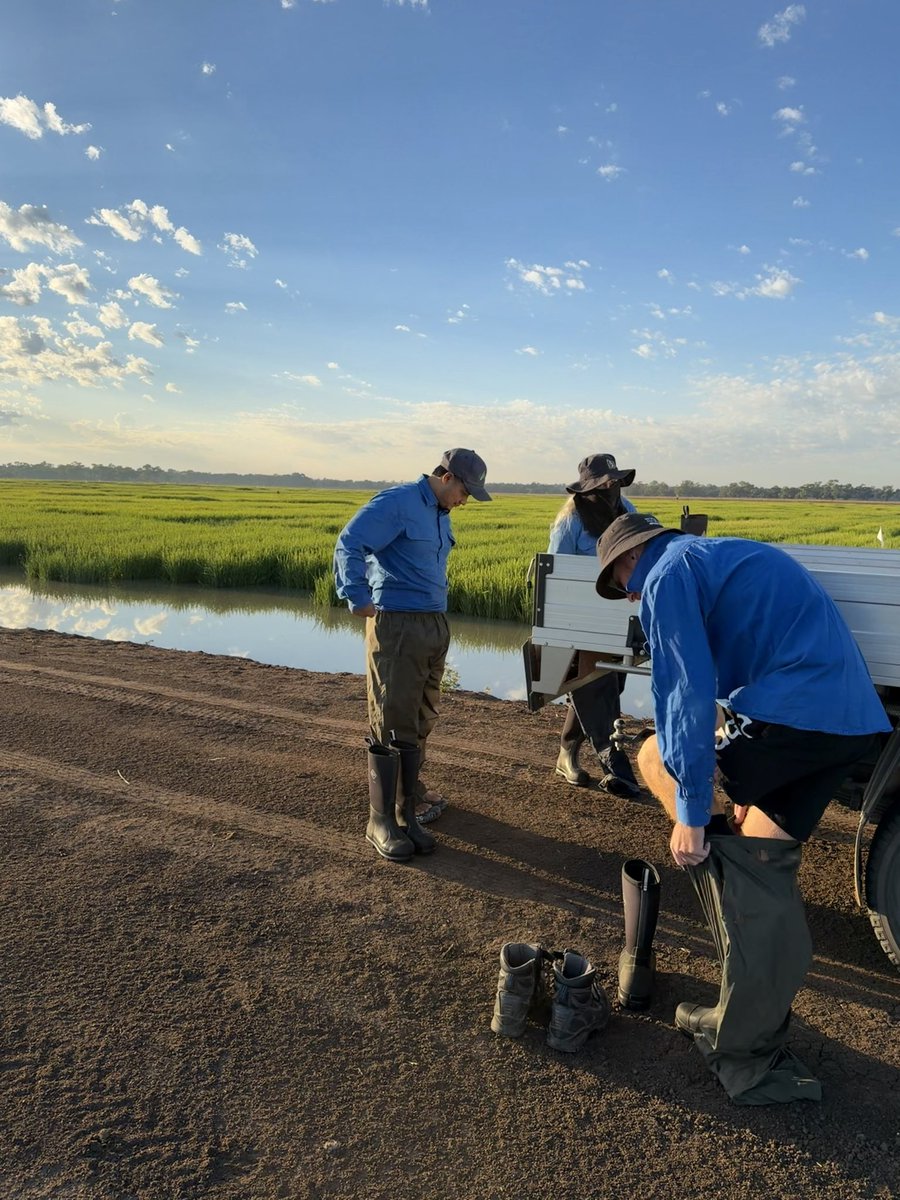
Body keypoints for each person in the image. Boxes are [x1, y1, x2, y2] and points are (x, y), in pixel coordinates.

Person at [595, 512, 890, 1104]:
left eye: (621, 581)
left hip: (793, 714)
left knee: (653, 754)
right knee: (764, 858)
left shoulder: (665, 575)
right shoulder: (717, 556)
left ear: (633, 557)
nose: (628, 594)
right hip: (845, 724)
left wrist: (691, 811)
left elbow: (684, 691)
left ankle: (744, 1053)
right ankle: (743, 1028)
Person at [334, 448, 491, 840]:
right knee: (392, 717)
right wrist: (356, 595)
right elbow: (349, 542)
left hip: (433, 623)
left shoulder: (439, 513)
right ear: (447, 477)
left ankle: (410, 793)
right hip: (398, 623)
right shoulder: (399, 502)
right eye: (464, 491)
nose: (464, 500)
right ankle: (383, 818)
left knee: (422, 714)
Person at [548, 453, 640, 796]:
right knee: (591, 687)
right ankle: (613, 763)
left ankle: (565, 754)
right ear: (588, 487)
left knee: (608, 686)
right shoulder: (569, 521)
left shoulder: (628, 511)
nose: (610, 488)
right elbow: (556, 573)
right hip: (582, 618)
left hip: (620, 614)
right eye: (604, 483)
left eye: (614, 482)